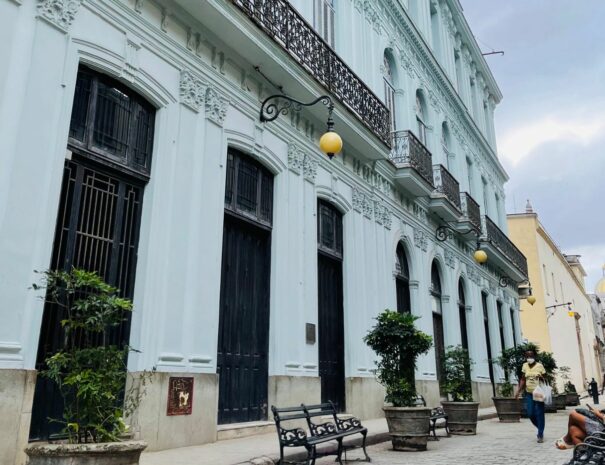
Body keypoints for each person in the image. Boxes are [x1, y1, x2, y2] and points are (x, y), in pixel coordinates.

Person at [515, 350, 546, 443]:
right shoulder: (525, 366)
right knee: (530, 413)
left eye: (531, 356)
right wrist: (518, 391)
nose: (529, 358)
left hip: (539, 393)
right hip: (529, 393)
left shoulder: (540, 366)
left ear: (534, 356)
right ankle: (540, 427)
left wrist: (541, 377)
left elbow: (546, 378)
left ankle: (540, 434)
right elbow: (523, 379)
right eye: (527, 356)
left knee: (539, 413)